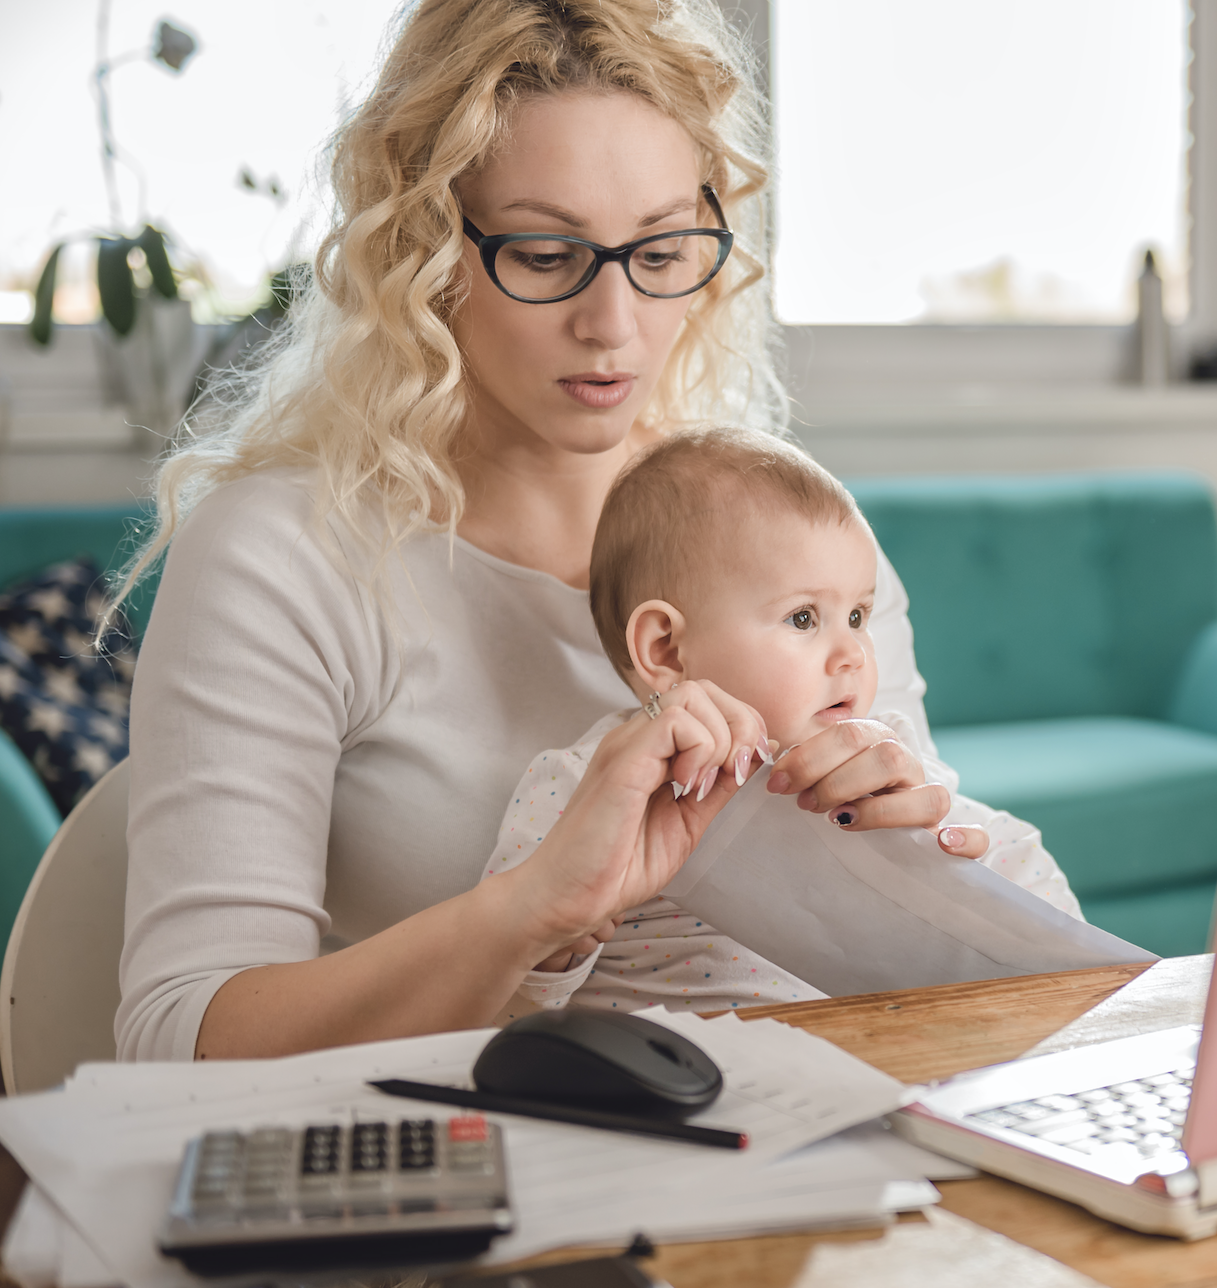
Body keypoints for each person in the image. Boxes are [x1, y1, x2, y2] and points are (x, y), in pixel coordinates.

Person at [116, 0, 982, 1061]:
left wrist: (926, 863)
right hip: (448, 1170)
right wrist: (532, 905)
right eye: (541, 251)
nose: (613, 324)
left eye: (662, 249)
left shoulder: (784, 537)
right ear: (427, 244)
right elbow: (175, 1042)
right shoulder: (285, 555)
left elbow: (915, 964)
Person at [487, 427, 1080, 1017]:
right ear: (666, 649)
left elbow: (1024, 866)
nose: (851, 652)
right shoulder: (583, 787)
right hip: (689, 1087)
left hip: (883, 1068)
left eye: (856, 615)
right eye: (803, 618)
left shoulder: (871, 763)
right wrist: (560, 938)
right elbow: (509, 989)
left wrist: (954, 871)